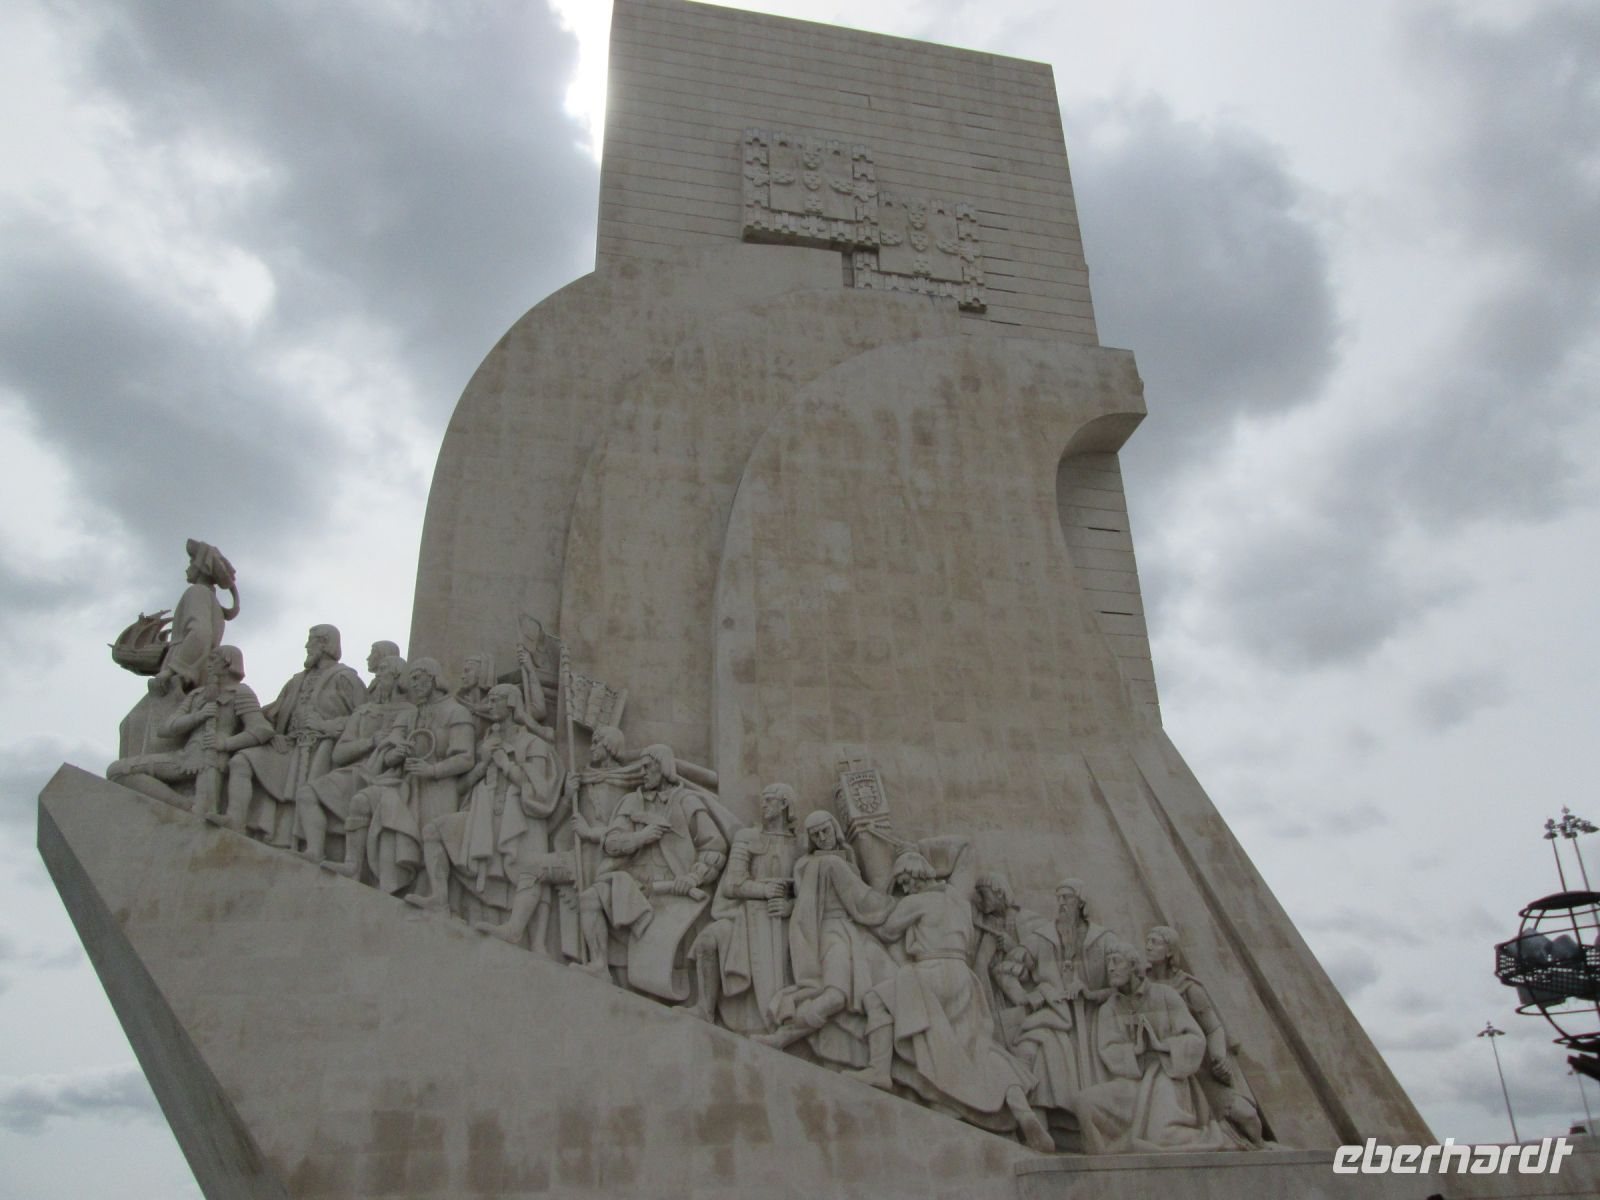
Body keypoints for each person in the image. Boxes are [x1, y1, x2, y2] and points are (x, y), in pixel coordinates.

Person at [850, 840, 1054, 1153]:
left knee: (877, 1000)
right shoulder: (958, 898)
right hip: (964, 978)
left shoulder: (915, 902)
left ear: (915, 875)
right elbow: (965, 849)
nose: (905, 886)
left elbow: (887, 931)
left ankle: (879, 1070)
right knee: (980, 1048)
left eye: (905, 880)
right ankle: (1020, 1106)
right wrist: (918, 852)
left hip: (930, 972)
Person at [574, 744, 728, 1001]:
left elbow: (715, 848)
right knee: (589, 898)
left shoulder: (686, 801)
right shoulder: (631, 801)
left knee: (659, 969)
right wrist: (641, 837)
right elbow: (611, 843)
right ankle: (599, 964)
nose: (641, 772)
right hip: (634, 885)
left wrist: (693, 877)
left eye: (647, 767)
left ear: (663, 767)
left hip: (672, 890)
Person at [473, 724, 640, 955]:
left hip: (606, 862)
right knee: (531, 867)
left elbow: (624, 835)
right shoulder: (585, 779)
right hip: (579, 857)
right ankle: (514, 929)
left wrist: (589, 832)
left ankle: (598, 961)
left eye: (596, 743)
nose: (591, 748)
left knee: (590, 901)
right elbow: (559, 823)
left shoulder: (627, 787)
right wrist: (568, 797)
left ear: (610, 747)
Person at [406, 684, 562, 924]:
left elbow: (539, 790)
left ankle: (519, 930)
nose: (490, 705)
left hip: (518, 819)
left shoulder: (534, 744)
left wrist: (505, 765)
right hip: (482, 814)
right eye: (489, 699)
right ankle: (440, 899)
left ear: (511, 703)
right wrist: (483, 763)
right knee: (433, 831)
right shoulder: (486, 743)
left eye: (496, 699)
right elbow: (461, 788)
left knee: (527, 874)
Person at [1073, 943, 1248, 1153]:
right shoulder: (1108, 1009)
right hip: (1134, 1083)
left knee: (1161, 1136)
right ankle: (1106, 1160)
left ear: (1133, 966)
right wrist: (1135, 1051)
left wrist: (1162, 1046)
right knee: (1084, 1102)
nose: (1110, 968)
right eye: (1108, 963)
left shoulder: (1165, 995)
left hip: (1168, 1077)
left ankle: (1221, 1136)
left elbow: (1195, 1038)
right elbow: (1109, 1050)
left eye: (1116, 961)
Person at [756, 811, 898, 1064]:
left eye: (826, 831)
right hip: (831, 933)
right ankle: (783, 1037)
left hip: (854, 934)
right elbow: (857, 900)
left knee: (879, 996)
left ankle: (879, 1067)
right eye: (816, 835)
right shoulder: (823, 863)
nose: (822, 838)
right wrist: (891, 905)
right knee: (836, 996)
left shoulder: (845, 859)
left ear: (835, 829)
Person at [221, 624, 365, 847]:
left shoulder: (345, 678)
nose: (307, 646)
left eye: (312, 641)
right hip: (288, 746)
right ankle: (235, 820)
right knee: (241, 761)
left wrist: (325, 725)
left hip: (320, 750)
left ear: (325, 644)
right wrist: (273, 734)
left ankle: (307, 846)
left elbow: (365, 718)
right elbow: (272, 713)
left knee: (306, 796)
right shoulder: (297, 680)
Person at [684, 783, 799, 1032]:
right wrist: (763, 890)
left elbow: (809, 890)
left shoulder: (800, 844)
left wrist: (790, 905)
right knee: (707, 940)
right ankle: (704, 1008)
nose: (763, 804)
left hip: (785, 921)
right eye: (763, 799)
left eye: (769, 799)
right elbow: (732, 885)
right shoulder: (747, 837)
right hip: (743, 918)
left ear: (784, 804)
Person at [109, 645, 271, 814]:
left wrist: (225, 743)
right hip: (185, 756)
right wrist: (198, 716)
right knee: (118, 771)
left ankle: (193, 810)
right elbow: (166, 728)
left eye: (213, 658)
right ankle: (184, 806)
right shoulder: (198, 694)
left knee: (205, 812)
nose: (208, 663)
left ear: (227, 663)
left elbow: (261, 730)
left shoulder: (240, 692)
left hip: (212, 759)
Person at [1144, 925, 1267, 1146]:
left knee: (1246, 1115)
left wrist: (1218, 1057)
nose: (1148, 946)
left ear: (1170, 951)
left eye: (1155, 942)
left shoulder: (1188, 987)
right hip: (1160, 1067)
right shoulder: (1141, 984)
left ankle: (1260, 1147)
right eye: (1148, 941)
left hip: (1196, 1068)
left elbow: (1213, 1028)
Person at [294, 655, 412, 864]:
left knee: (361, 802)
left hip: (388, 776)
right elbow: (339, 754)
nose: (378, 675)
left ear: (397, 676)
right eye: (378, 670)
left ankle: (352, 864)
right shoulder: (363, 712)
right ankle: (315, 850)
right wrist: (370, 741)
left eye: (383, 669)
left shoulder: (411, 712)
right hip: (355, 772)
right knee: (306, 794)